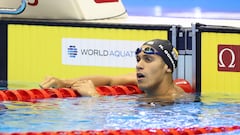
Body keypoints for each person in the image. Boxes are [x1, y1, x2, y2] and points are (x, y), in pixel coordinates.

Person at [39, 39, 195, 105]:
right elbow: (110, 80)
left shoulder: (172, 102)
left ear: (167, 67)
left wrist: (93, 97)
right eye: (138, 59)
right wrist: (64, 82)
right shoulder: (147, 81)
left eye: (148, 60)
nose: (139, 65)